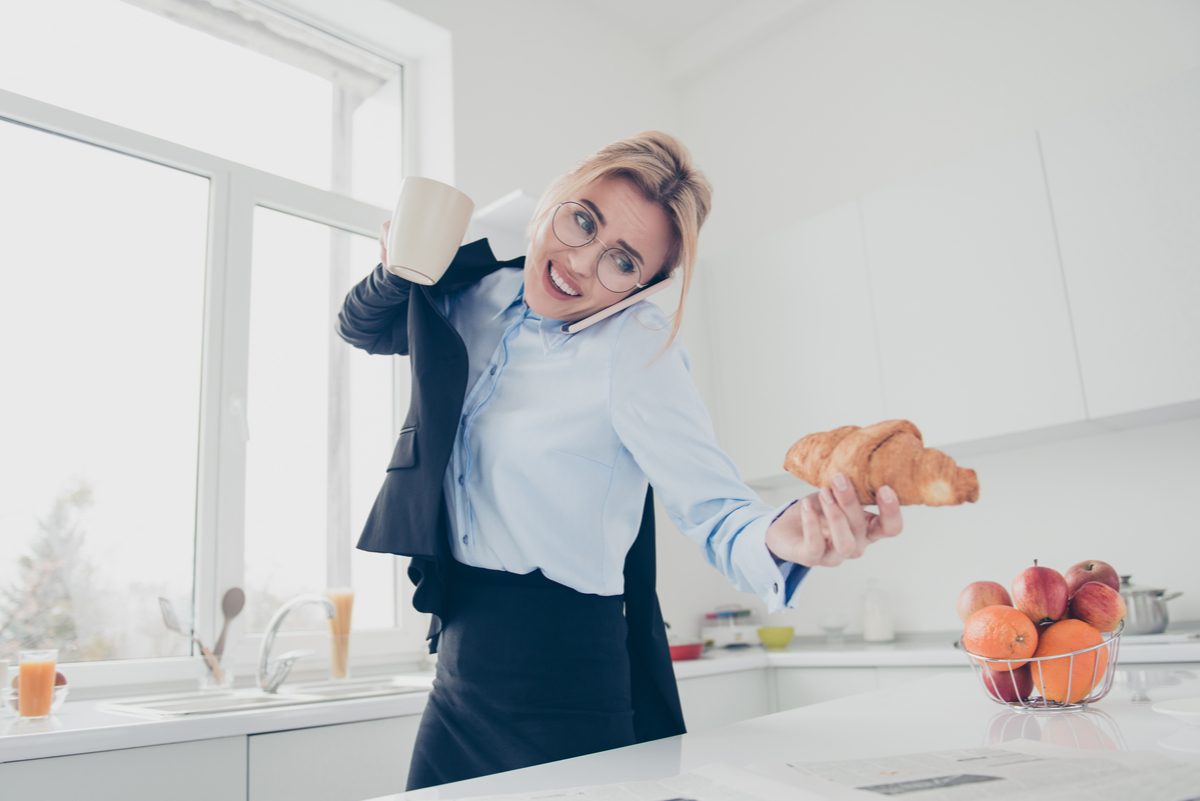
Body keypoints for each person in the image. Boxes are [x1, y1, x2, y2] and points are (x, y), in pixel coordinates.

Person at [336, 131, 904, 791]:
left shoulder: (633, 349)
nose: (579, 262)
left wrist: (788, 535)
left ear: (645, 286)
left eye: (622, 261)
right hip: (458, 676)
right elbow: (363, 327)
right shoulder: (475, 288)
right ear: (554, 198)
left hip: (564, 691)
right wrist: (400, 264)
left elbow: (718, 511)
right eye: (582, 219)